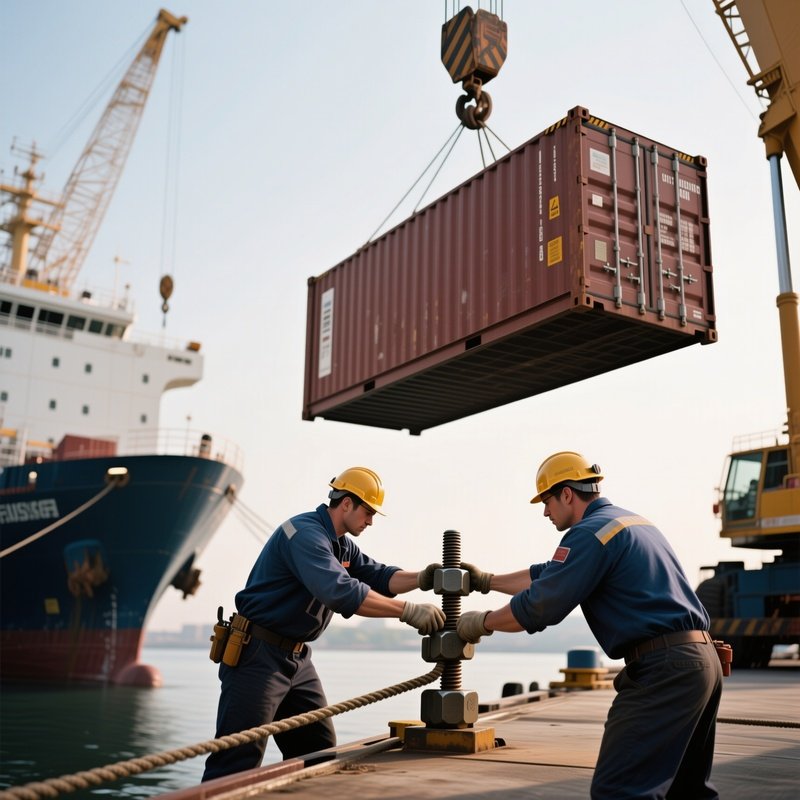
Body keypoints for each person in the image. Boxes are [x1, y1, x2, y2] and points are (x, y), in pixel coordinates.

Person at [457, 451, 723, 800]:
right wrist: (487, 581)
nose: (545, 512)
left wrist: (480, 623)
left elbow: (540, 606)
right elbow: (550, 575)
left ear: (567, 494)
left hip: (664, 671)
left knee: (619, 790)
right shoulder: (630, 523)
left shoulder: (589, 533)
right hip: (703, 664)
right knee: (687, 792)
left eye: (547, 501)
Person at [202, 466, 445, 781]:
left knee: (317, 750)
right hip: (258, 654)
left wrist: (424, 578)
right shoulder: (305, 535)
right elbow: (340, 592)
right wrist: (408, 611)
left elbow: (379, 576)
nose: (371, 521)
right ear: (347, 503)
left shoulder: (341, 544)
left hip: (297, 659)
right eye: (368, 512)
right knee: (237, 760)